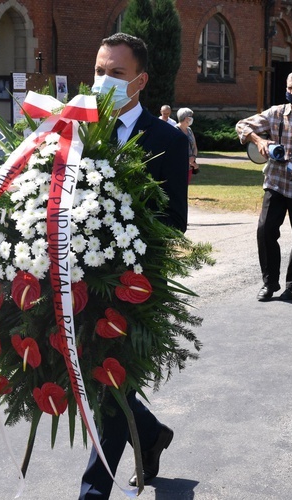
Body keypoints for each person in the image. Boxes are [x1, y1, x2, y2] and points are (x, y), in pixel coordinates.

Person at [80, 32, 189, 500]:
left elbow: (174, 223)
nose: (103, 81)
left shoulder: (166, 139)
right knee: (97, 381)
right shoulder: (78, 130)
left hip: (133, 286)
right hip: (78, 278)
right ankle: (150, 434)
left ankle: (91, 493)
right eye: (99, 71)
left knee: (111, 381)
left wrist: (127, 240)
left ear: (140, 81)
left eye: (116, 74)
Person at [236, 71, 292, 302]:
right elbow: (241, 125)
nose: (291, 93)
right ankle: (269, 283)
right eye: (289, 88)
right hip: (276, 182)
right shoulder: (276, 112)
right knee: (265, 230)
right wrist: (259, 140)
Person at [176, 107, 199, 183]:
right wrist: (186, 160)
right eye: (190, 117)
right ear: (186, 118)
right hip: (178, 167)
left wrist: (193, 157)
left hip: (189, 166)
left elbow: (194, 146)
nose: (192, 119)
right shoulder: (174, 130)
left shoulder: (189, 130)